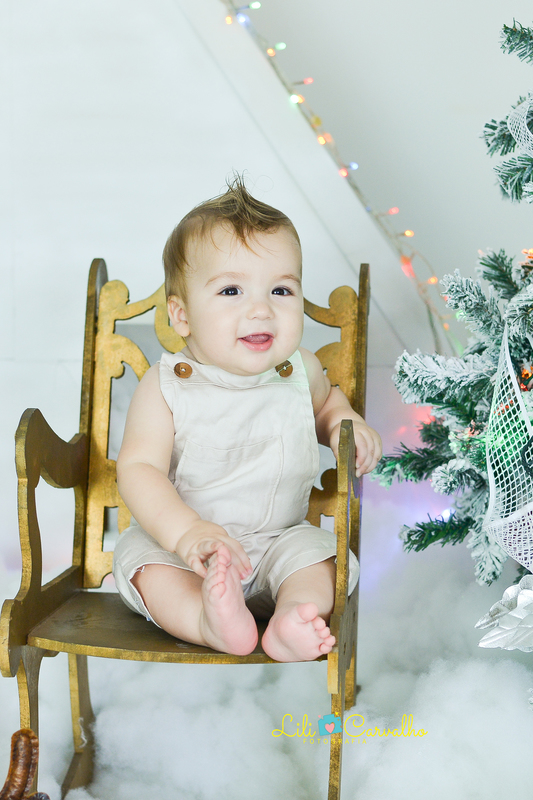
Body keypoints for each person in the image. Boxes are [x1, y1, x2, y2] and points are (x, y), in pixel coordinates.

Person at [112, 178, 381, 662]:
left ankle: (292, 617)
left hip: (279, 543)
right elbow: (138, 469)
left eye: (281, 289)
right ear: (181, 315)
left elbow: (326, 405)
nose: (261, 309)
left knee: (325, 558)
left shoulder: (298, 371)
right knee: (142, 564)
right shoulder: (167, 386)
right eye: (231, 290)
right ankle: (206, 618)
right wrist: (187, 533)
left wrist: (346, 423)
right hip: (188, 553)